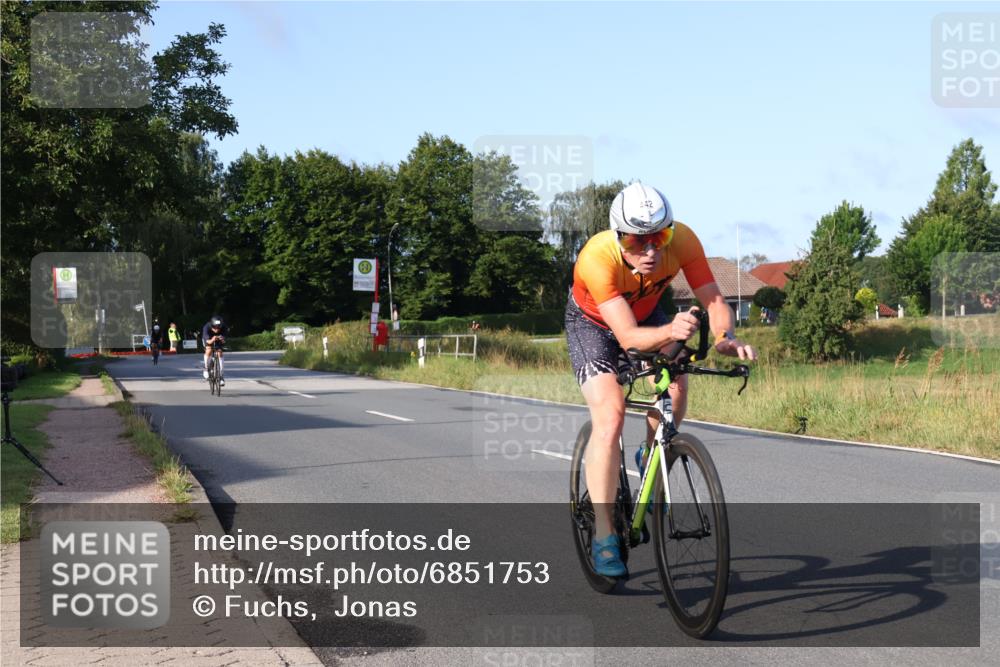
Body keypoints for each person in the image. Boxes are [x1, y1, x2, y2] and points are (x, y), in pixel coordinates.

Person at [566, 182, 757, 577]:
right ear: (619, 236)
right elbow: (629, 339)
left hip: (648, 314)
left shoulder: (684, 240)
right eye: (638, 241)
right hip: (595, 325)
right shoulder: (597, 260)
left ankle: (652, 452)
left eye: (659, 237)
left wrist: (725, 337)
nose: (651, 250)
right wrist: (672, 332)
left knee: (677, 379)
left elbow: (715, 300)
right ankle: (604, 533)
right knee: (611, 414)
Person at [201, 315, 227, 386]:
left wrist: (222, 339)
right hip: (208, 339)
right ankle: (206, 368)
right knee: (209, 350)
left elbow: (224, 340)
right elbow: (208, 342)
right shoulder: (206, 327)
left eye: (218, 328)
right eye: (215, 328)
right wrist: (212, 339)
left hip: (218, 340)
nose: (217, 330)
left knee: (220, 352)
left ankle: (221, 376)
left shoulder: (224, 327)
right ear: (211, 326)